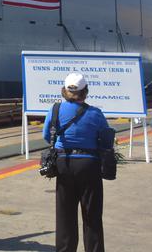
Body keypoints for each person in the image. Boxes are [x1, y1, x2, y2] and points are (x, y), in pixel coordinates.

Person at [42, 72, 110, 252]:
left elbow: (46, 135)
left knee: (65, 215)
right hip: (89, 165)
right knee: (92, 215)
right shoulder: (95, 113)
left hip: (64, 164)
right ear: (85, 91)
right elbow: (105, 139)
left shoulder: (55, 110)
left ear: (64, 91)